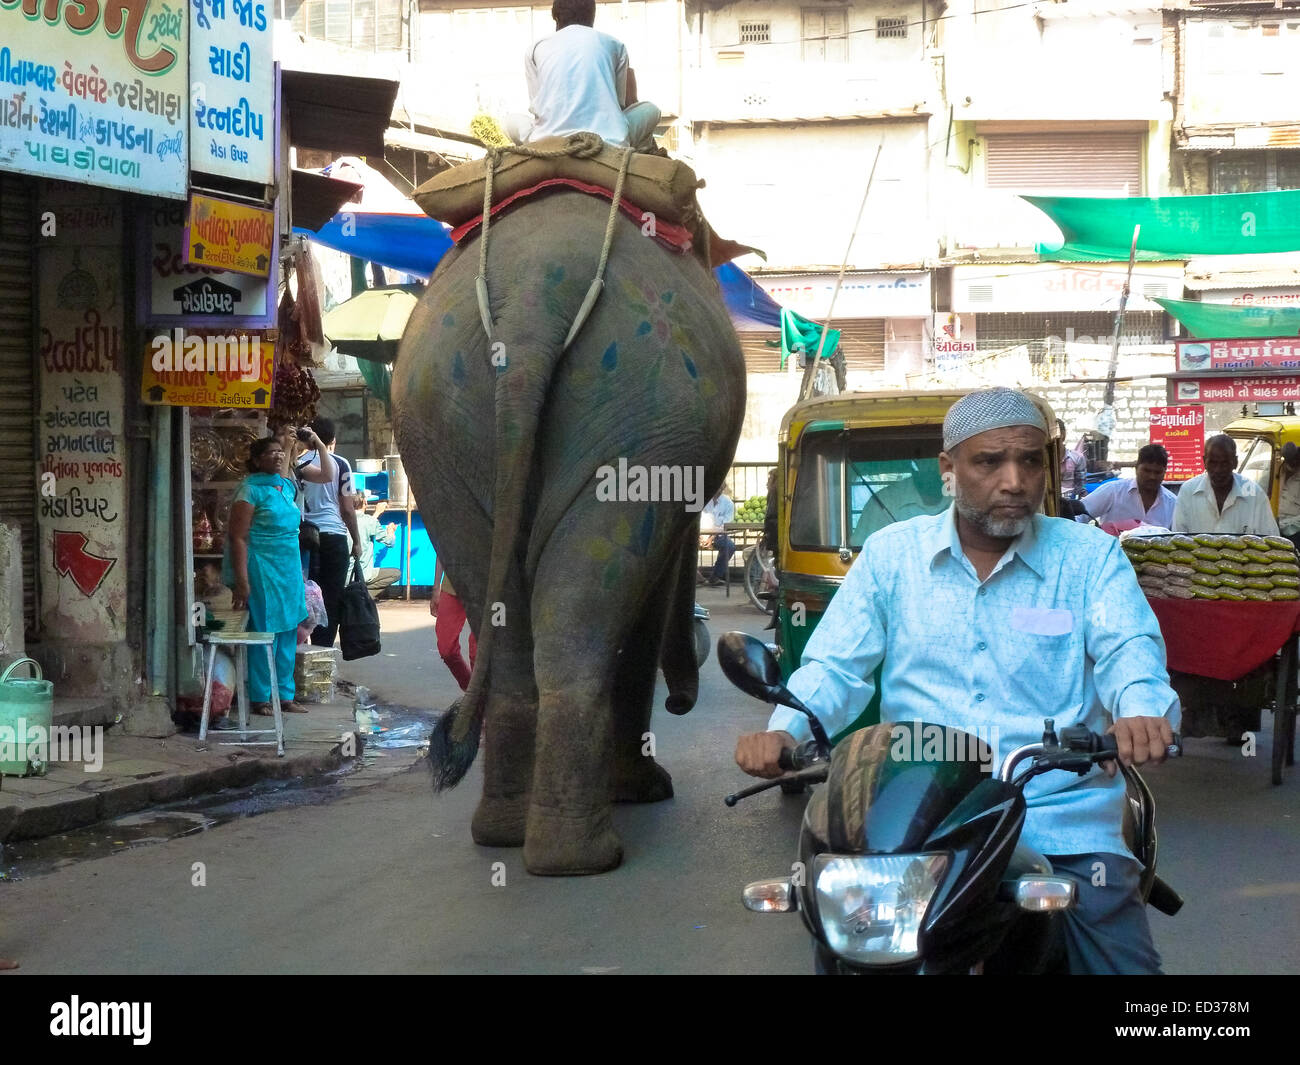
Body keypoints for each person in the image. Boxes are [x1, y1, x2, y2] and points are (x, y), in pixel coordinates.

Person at [734, 387, 1179, 975]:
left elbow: (1129, 650)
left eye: (1030, 460)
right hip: (914, 822)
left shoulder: (1090, 559)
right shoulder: (892, 557)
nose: (1014, 480)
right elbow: (835, 668)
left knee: (1126, 971)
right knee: (845, 948)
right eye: (989, 462)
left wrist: (1141, 711)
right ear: (949, 469)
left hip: (1057, 814)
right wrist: (784, 731)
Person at [226, 429, 337, 716]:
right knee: (264, 630)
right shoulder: (250, 489)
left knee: (290, 629)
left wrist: (298, 446)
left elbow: (316, 473)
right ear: (256, 460)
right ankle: (261, 697)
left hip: (289, 566)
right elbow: (238, 537)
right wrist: (242, 581)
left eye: (279, 453)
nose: (277, 457)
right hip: (262, 565)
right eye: (270, 453)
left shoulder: (285, 486)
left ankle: (285, 695)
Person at [505, 0, 661, 151]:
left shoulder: (535, 48)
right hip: (610, 141)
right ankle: (641, 153)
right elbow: (619, 105)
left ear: (556, 19)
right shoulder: (615, 45)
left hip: (545, 141)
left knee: (509, 121)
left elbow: (537, 106)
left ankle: (531, 153)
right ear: (592, 16)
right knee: (651, 110)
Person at [294, 417, 363, 647]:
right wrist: (357, 540)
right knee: (330, 598)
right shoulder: (341, 464)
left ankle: (301, 648)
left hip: (305, 539)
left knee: (305, 595)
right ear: (332, 440)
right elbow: (347, 509)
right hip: (334, 538)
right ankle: (321, 653)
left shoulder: (297, 463)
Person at [1172, 434, 1279, 535]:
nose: (1218, 470)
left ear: (1235, 462)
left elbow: (1271, 538)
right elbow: (1178, 538)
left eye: (1225, 463)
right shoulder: (1188, 491)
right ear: (1204, 462)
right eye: (1213, 463)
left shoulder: (1254, 494)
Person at [1079, 444, 1177, 532]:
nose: (1152, 477)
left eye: (1157, 472)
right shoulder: (1113, 491)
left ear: (1164, 472)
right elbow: (1079, 515)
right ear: (1136, 468)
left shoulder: (1172, 503)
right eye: (1146, 470)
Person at [432, 558, 477, 691]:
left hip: (486, 586)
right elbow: (441, 547)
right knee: (446, 649)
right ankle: (472, 692)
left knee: (478, 651)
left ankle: (480, 697)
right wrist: (436, 588)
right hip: (453, 585)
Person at [347, 491, 400, 595]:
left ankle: (355, 596)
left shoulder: (341, 520)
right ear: (365, 502)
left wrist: (377, 513)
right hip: (363, 574)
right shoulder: (369, 521)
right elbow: (390, 542)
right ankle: (364, 597)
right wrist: (391, 532)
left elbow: (362, 525)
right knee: (395, 574)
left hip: (344, 576)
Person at [699, 484, 735, 586]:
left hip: (718, 535)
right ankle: (696, 575)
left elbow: (725, 525)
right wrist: (699, 536)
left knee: (729, 546)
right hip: (699, 534)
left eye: (719, 487)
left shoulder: (728, 503)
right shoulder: (701, 500)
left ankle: (716, 576)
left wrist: (711, 537)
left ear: (723, 488)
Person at [1059, 419, 1087, 499]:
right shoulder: (1042, 460)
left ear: (1063, 435)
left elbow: (1081, 487)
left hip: (1069, 500)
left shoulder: (1077, 458)